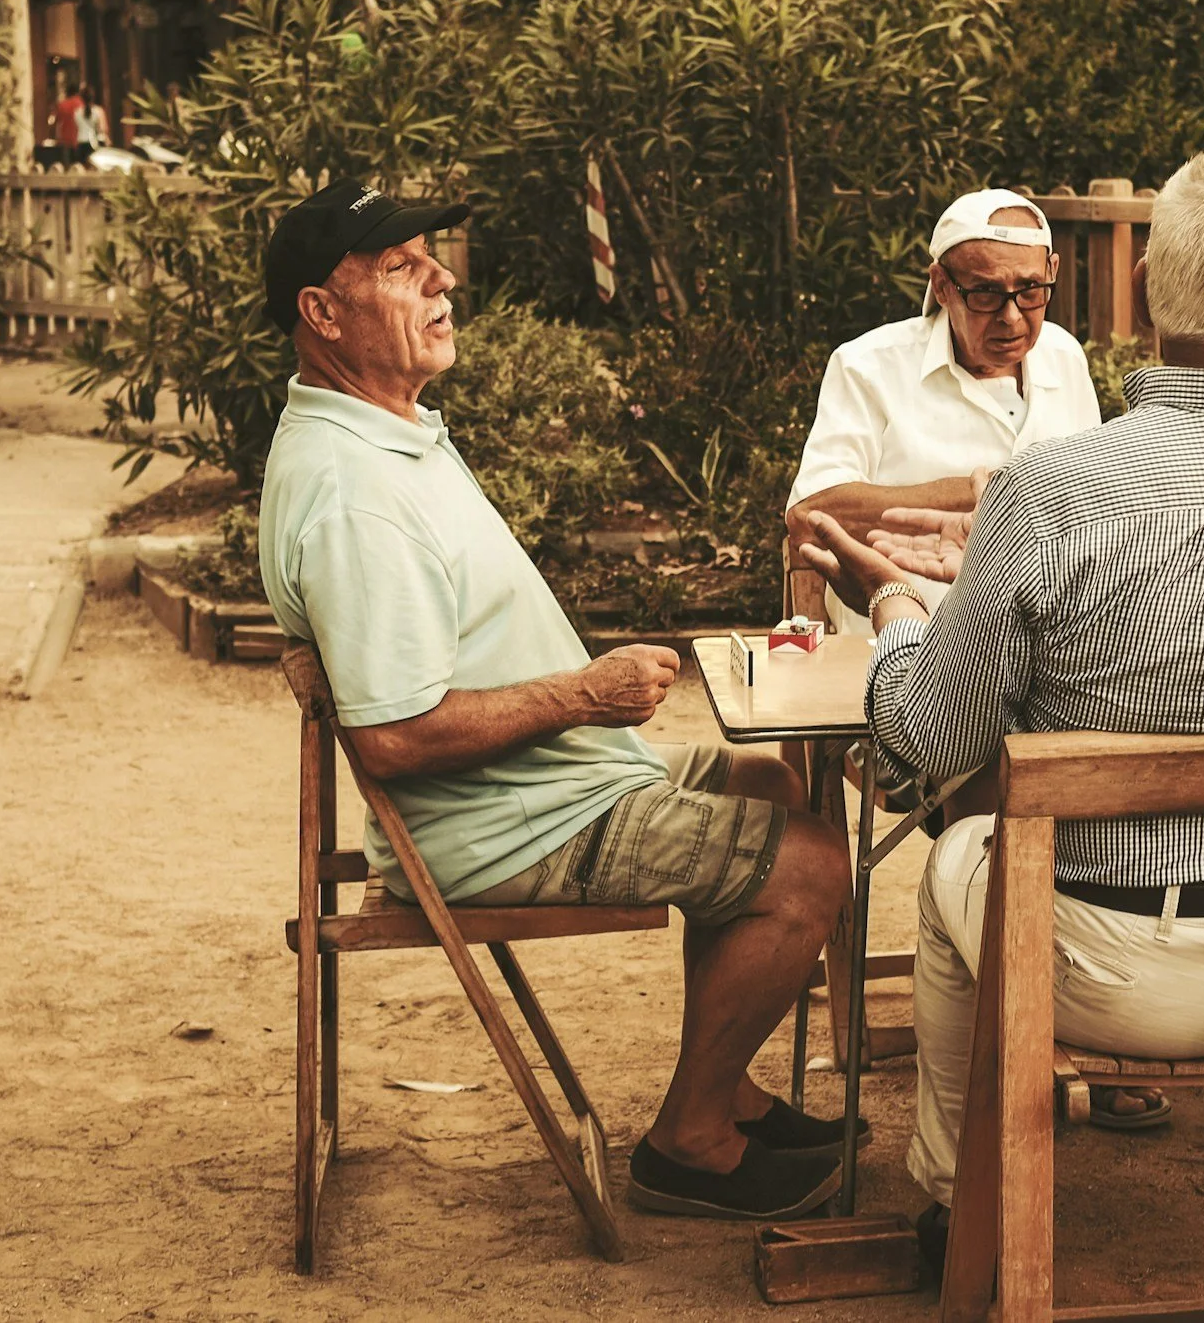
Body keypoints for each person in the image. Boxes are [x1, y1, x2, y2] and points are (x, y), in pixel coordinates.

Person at [802, 142, 1204, 1318]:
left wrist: (908, 607)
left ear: (1145, 292)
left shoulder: (1051, 491)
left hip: (1090, 971)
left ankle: (964, 1206)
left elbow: (920, 750)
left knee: (955, 859)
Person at [254, 180, 855, 1222]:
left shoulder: (384, 432)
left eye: (432, 257)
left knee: (764, 777)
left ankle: (726, 1090)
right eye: (402, 267)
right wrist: (586, 690)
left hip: (552, 784)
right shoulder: (355, 492)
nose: (441, 279)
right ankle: (689, 1140)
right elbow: (395, 736)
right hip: (499, 823)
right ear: (322, 311)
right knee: (810, 865)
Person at [786, 190, 1099, 631]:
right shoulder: (869, 366)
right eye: (986, 293)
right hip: (904, 653)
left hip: (1045, 659)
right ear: (942, 284)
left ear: (1053, 271)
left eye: (1030, 290)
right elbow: (807, 520)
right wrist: (986, 495)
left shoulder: (1064, 356)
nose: (1011, 317)